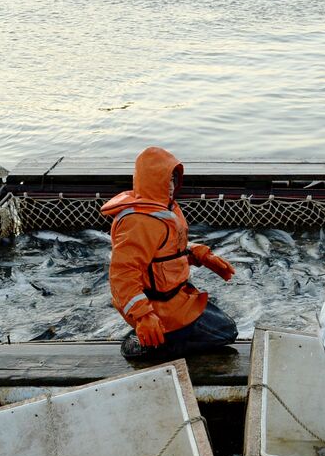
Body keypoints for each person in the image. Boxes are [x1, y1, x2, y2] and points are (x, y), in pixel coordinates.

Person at [102, 147, 239, 359]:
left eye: (173, 180)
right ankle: (153, 344)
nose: (171, 187)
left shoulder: (165, 209)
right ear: (150, 181)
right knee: (226, 333)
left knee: (226, 327)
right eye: (166, 181)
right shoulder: (138, 222)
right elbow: (122, 275)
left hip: (178, 296)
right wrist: (143, 316)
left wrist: (200, 254)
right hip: (157, 305)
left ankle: (162, 335)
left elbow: (167, 250)